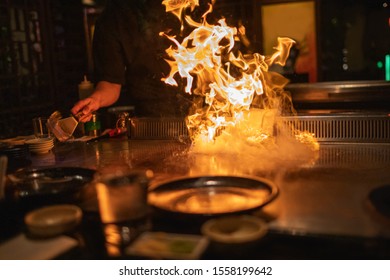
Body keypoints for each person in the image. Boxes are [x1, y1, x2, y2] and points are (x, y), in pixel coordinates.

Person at [71, 0, 192, 122]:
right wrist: (96, 99)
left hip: (205, 116)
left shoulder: (199, 6)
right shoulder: (114, 16)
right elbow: (111, 83)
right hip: (151, 122)